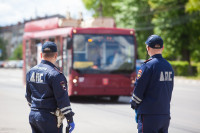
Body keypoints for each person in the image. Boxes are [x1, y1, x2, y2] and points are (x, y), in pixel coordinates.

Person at [25, 41, 75, 133]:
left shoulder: (31, 72)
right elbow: (63, 100)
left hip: (33, 116)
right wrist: (70, 119)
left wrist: (37, 109)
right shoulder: (56, 75)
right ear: (56, 55)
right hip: (49, 118)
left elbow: (28, 96)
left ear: (41, 54)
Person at [130, 35, 174, 133]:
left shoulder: (148, 66)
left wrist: (133, 103)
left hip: (149, 115)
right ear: (162, 48)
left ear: (148, 48)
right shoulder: (169, 66)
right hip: (165, 115)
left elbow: (139, 89)